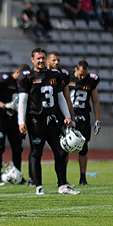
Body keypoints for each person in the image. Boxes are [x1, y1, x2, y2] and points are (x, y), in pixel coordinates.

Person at [17, 47, 80, 196]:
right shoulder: (27, 76)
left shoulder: (54, 75)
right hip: (35, 120)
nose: (40, 61)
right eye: (38, 58)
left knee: (60, 152)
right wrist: (21, 121)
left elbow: (60, 97)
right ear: (32, 60)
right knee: (36, 152)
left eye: (43, 58)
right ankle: (38, 185)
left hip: (52, 119)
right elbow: (23, 101)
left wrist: (67, 116)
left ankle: (62, 185)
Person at [0, 64, 31, 186]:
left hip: (15, 119)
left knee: (17, 148)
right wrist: (4, 106)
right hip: (1, 117)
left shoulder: (25, 83)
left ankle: (18, 176)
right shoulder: (3, 79)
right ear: (17, 72)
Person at [69, 60, 100, 186]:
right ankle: (63, 178)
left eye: (85, 75)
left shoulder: (91, 80)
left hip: (84, 117)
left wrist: (97, 120)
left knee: (83, 149)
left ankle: (83, 178)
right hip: (70, 116)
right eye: (81, 74)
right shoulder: (68, 77)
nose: (82, 77)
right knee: (65, 148)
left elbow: (95, 101)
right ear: (76, 69)